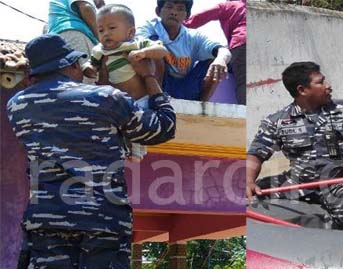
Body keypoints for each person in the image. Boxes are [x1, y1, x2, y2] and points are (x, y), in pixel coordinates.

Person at [7, 34, 175, 269]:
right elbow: (163, 129)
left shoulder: (18, 105)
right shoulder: (107, 98)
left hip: (48, 220)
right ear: (70, 64)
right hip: (103, 220)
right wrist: (150, 79)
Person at [247, 61, 343, 231]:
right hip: (298, 182)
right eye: (320, 82)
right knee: (246, 199)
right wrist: (248, 181)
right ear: (302, 90)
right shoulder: (276, 121)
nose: (328, 86)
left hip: (339, 182)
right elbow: (256, 153)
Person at [86, 4, 169, 161]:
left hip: (141, 98)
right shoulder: (99, 50)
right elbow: (92, 64)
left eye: (111, 28)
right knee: (119, 126)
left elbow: (162, 51)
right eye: (101, 30)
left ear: (130, 32)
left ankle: (137, 152)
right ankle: (124, 150)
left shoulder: (137, 43)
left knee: (140, 124)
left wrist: (143, 53)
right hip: (120, 100)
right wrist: (89, 69)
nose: (106, 34)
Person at [137, 0, 232, 101]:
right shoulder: (148, 28)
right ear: (158, 11)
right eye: (169, 7)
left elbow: (224, 51)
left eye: (180, 9)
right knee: (154, 50)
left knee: (215, 59)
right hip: (159, 82)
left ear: (187, 15)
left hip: (186, 86)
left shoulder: (193, 36)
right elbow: (135, 46)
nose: (174, 12)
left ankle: (202, 105)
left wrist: (220, 60)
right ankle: (158, 99)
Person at [184, 0, 246, 104]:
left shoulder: (227, 6)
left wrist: (177, 24)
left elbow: (198, 18)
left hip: (242, 44)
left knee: (244, 82)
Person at [47, 0, 105, 81]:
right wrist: (103, 40)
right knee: (87, 84)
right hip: (73, 35)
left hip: (58, 40)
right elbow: (86, 9)